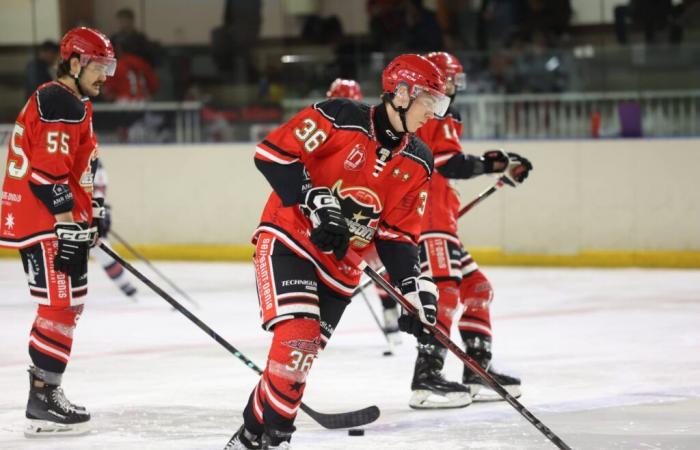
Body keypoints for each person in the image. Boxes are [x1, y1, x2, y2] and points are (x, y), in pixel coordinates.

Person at [224, 54, 450, 449]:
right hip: (290, 239)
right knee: (298, 338)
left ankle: (248, 439)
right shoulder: (339, 116)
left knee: (297, 358)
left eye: (438, 103)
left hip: (342, 268)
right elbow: (273, 155)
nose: (433, 112)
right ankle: (277, 439)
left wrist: (412, 288)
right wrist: (312, 196)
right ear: (401, 94)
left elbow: (397, 236)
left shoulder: (419, 161)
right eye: (428, 101)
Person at [0, 27, 117, 436]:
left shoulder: (72, 101)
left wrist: (93, 213)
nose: (106, 76)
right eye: (99, 67)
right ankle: (43, 397)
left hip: (51, 222)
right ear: (74, 63)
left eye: (109, 67)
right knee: (59, 307)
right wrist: (67, 226)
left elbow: (76, 169)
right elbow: (46, 175)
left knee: (65, 308)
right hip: (44, 223)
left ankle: (44, 393)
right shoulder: (59, 102)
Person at [401, 51, 532, 408]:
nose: (452, 88)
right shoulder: (438, 111)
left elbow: (446, 161)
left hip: (439, 217)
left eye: (455, 82)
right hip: (428, 219)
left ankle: (476, 369)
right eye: (448, 80)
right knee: (444, 290)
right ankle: (426, 378)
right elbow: (450, 163)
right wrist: (497, 162)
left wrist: (494, 163)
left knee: (478, 287)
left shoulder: (431, 114)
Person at [91, 159, 138, 298]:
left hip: (87, 212)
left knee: (102, 249)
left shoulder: (94, 162)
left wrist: (99, 210)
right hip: (62, 213)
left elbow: (99, 190)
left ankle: (122, 282)